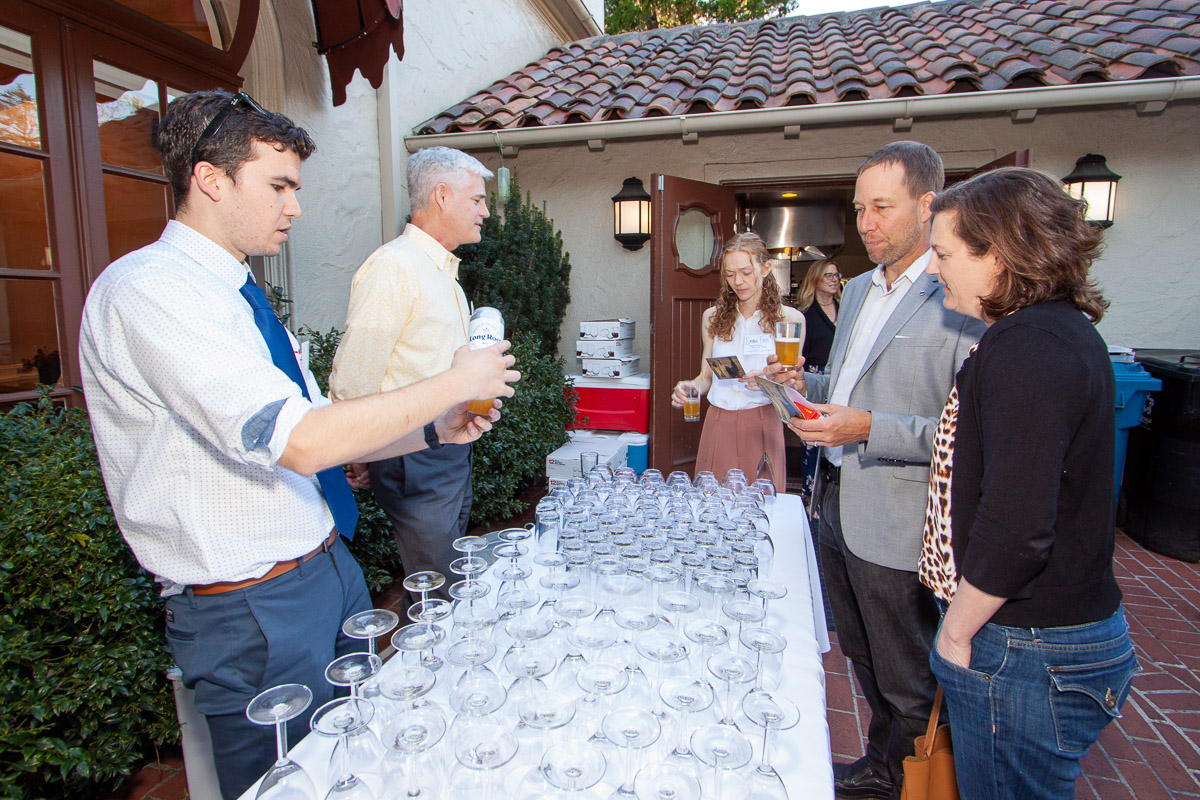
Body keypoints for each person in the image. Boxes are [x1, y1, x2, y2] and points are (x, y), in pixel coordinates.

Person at [78, 91, 519, 800]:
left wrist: (435, 428)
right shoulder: (151, 292)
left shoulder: (238, 295)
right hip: (252, 607)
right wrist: (450, 384)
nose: (295, 207)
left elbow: (321, 426)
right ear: (211, 178)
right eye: (278, 186)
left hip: (323, 571)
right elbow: (304, 442)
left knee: (350, 768)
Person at [920, 167, 1139, 799]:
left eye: (944, 253)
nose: (935, 270)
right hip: (1043, 640)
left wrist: (956, 632)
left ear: (1000, 255)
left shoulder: (1030, 349)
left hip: (1028, 647)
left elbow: (1017, 529)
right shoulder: (1047, 333)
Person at [786, 141, 986, 799]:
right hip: (835, 502)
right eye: (859, 209)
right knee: (863, 658)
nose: (866, 223)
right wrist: (801, 382)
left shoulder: (963, 293)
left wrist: (867, 427)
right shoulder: (862, 285)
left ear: (929, 205)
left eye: (881, 208)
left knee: (908, 676)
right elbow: (851, 385)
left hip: (900, 521)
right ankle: (881, 765)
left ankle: (917, 782)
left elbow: (970, 435)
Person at [329, 146, 492, 602]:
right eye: (476, 199)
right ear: (441, 195)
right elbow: (354, 376)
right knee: (436, 586)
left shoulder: (443, 274)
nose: (484, 212)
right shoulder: (394, 268)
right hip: (413, 452)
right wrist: (355, 449)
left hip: (447, 446)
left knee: (451, 571)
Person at [670, 232, 804, 491]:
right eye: (729, 274)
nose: (737, 282)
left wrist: (769, 380)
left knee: (762, 507)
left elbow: (795, 389)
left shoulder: (790, 319)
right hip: (718, 422)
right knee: (713, 506)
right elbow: (706, 377)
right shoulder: (712, 317)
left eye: (745, 272)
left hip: (763, 422)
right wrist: (691, 387)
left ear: (765, 268)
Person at [796, 259, 842, 502]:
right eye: (828, 275)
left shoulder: (846, 311)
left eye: (836, 275)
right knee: (813, 440)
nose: (834, 279)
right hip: (812, 381)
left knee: (837, 438)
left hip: (838, 381)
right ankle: (810, 496)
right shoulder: (806, 315)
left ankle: (832, 496)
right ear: (815, 280)